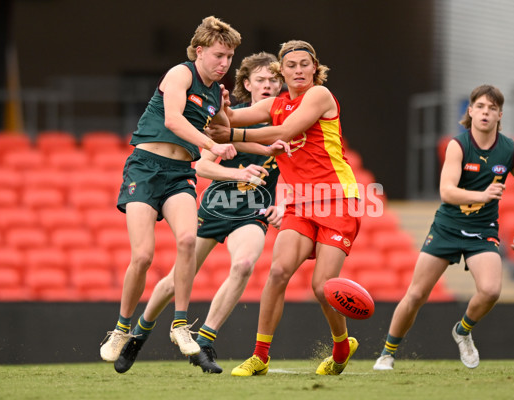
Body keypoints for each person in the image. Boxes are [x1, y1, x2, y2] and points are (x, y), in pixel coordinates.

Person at [112, 52, 286, 374]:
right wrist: (237, 172)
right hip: (216, 205)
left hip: (253, 208)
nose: (268, 85)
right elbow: (203, 164)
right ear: (246, 84)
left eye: (274, 80)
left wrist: (284, 204)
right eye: (261, 80)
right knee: (174, 280)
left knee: (245, 264)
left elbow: (294, 169)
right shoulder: (227, 117)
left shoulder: (288, 124)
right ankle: (138, 333)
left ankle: (204, 343)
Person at [206, 40, 362, 376]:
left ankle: (341, 344)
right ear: (282, 71)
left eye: (305, 64)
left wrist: (229, 131)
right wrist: (218, 109)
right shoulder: (276, 103)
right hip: (301, 202)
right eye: (291, 65)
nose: (299, 70)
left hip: (338, 198)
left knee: (323, 286)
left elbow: (288, 130)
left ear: (315, 66)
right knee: (278, 272)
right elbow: (228, 118)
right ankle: (260, 356)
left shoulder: (319, 96)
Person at [99, 16, 241, 364]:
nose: (224, 64)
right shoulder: (181, 74)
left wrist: (222, 108)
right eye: (218, 55)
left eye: (229, 57)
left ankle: (179, 325)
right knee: (143, 256)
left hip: (180, 173)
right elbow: (174, 120)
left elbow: (224, 125)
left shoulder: (212, 90)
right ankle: (121, 328)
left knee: (188, 241)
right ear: (200, 51)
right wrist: (213, 144)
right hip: (146, 168)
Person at [373, 84, 514, 371]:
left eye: (492, 108)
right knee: (416, 294)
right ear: (470, 111)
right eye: (480, 107)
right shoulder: (458, 145)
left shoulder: (511, 150)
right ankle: (387, 353)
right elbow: (447, 192)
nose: (486, 112)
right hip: (447, 227)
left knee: (490, 291)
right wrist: (482, 196)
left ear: (500, 115)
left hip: (483, 230)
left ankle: (462, 331)